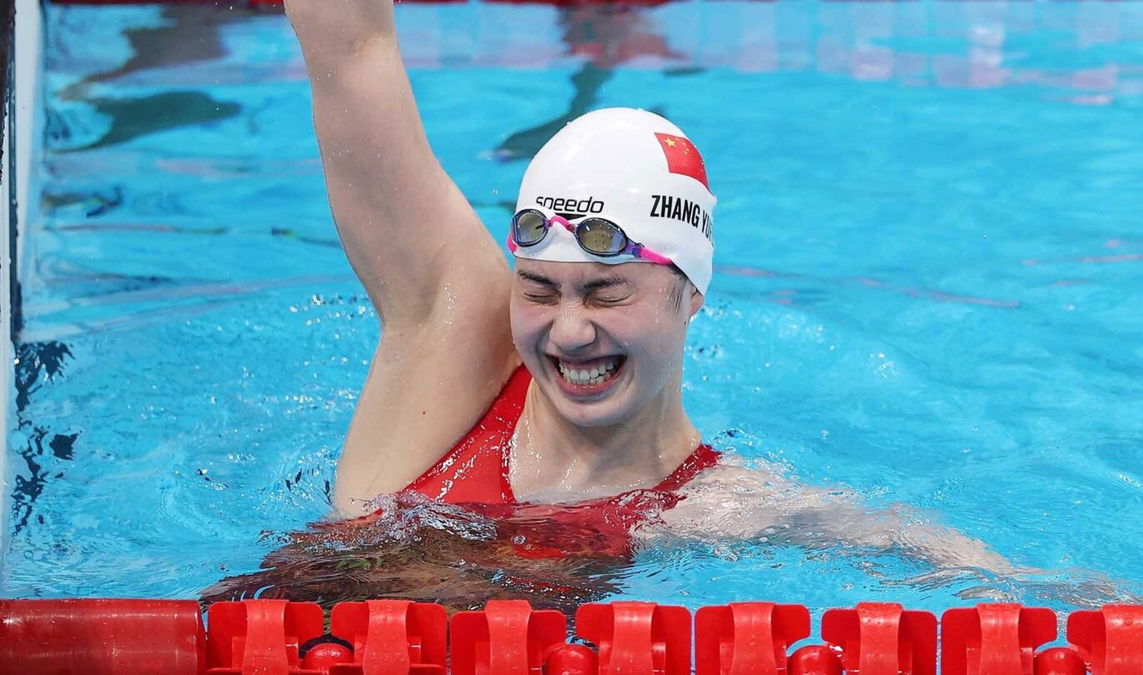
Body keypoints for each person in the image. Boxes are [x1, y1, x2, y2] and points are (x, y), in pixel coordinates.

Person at [280, 0, 1020, 577]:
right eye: (539, 289)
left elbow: (947, 563)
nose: (567, 332)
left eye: (606, 294)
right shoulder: (450, 348)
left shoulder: (715, 508)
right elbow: (350, 50)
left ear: (690, 289)